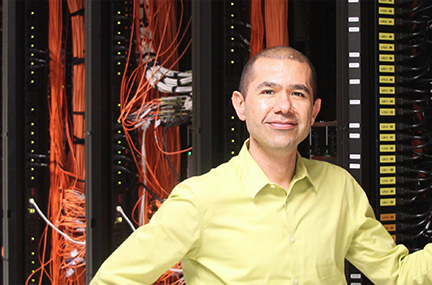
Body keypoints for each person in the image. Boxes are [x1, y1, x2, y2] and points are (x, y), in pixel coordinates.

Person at [90, 46, 432, 284]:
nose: (283, 106)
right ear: (240, 106)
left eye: (298, 94)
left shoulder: (339, 188)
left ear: (313, 112)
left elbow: (399, 274)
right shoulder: (200, 199)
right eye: (268, 92)